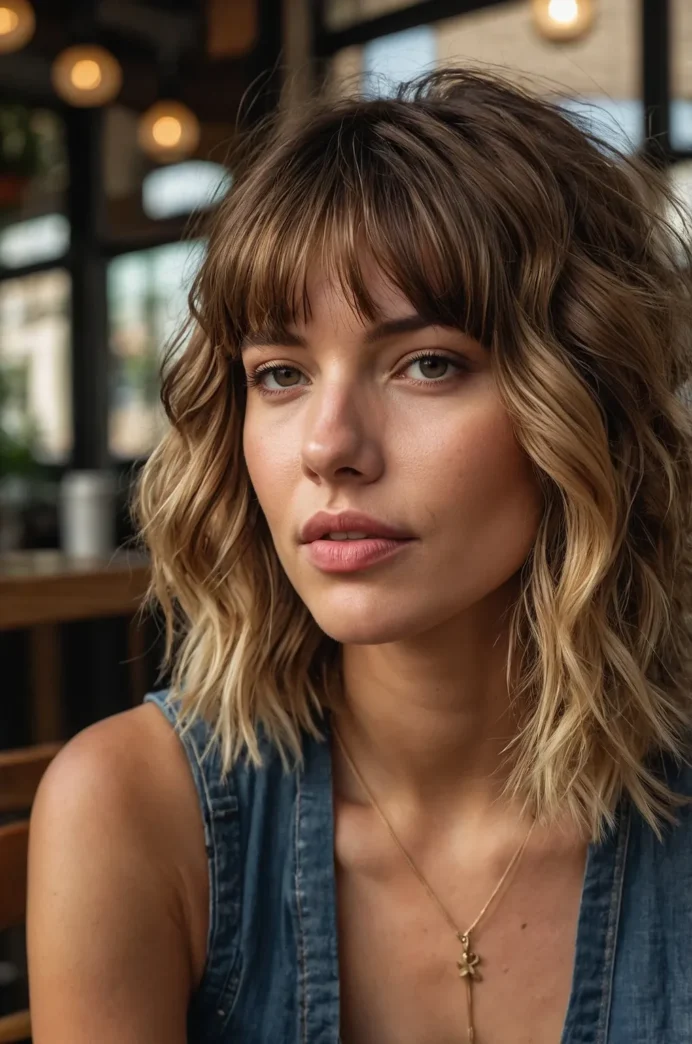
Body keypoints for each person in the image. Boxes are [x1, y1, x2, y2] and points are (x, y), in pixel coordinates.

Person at [26, 67, 692, 1044]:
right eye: (280, 374)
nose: (328, 446)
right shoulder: (133, 812)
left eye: (428, 363)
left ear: (586, 398)